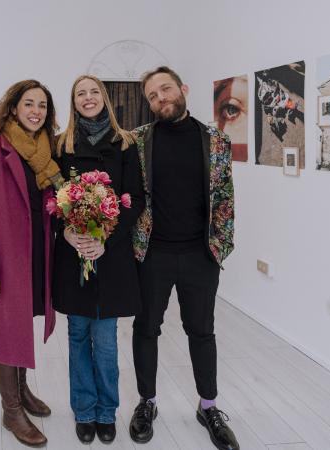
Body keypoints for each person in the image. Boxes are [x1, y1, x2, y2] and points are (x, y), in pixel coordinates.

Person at [128, 66, 240, 450]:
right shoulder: (139, 140)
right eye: (153, 96)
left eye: (166, 89)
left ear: (182, 89)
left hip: (199, 255)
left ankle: (208, 406)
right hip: (153, 253)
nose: (161, 98)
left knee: (201, 331)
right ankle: (147, 403)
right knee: (146, 330)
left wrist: (219, 247)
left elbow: (224, 196)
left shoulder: (215, 141)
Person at [52, 75, 144, 445]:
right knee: (77, 336)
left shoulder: (124, 143)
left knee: (105, 339)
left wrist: (104, 239)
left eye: (94, 92)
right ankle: (84, 411)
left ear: (104, 98)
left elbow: (134, 200)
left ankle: (107, 412)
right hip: (73, 256)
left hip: (111, 256)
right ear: (73, 103)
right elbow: (54, 198)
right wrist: (67, 232)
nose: (88, 99)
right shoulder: (62, 144)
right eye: (80, 94)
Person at [0, 79, 63, 447]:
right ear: (13, 108)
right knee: (5, 328)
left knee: (22, 323)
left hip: (38, 252)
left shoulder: (46, 151)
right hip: (7, 258)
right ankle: (11, 411)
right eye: (29, 103)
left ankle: (22, 392)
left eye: (42, 105)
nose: (35, 111)